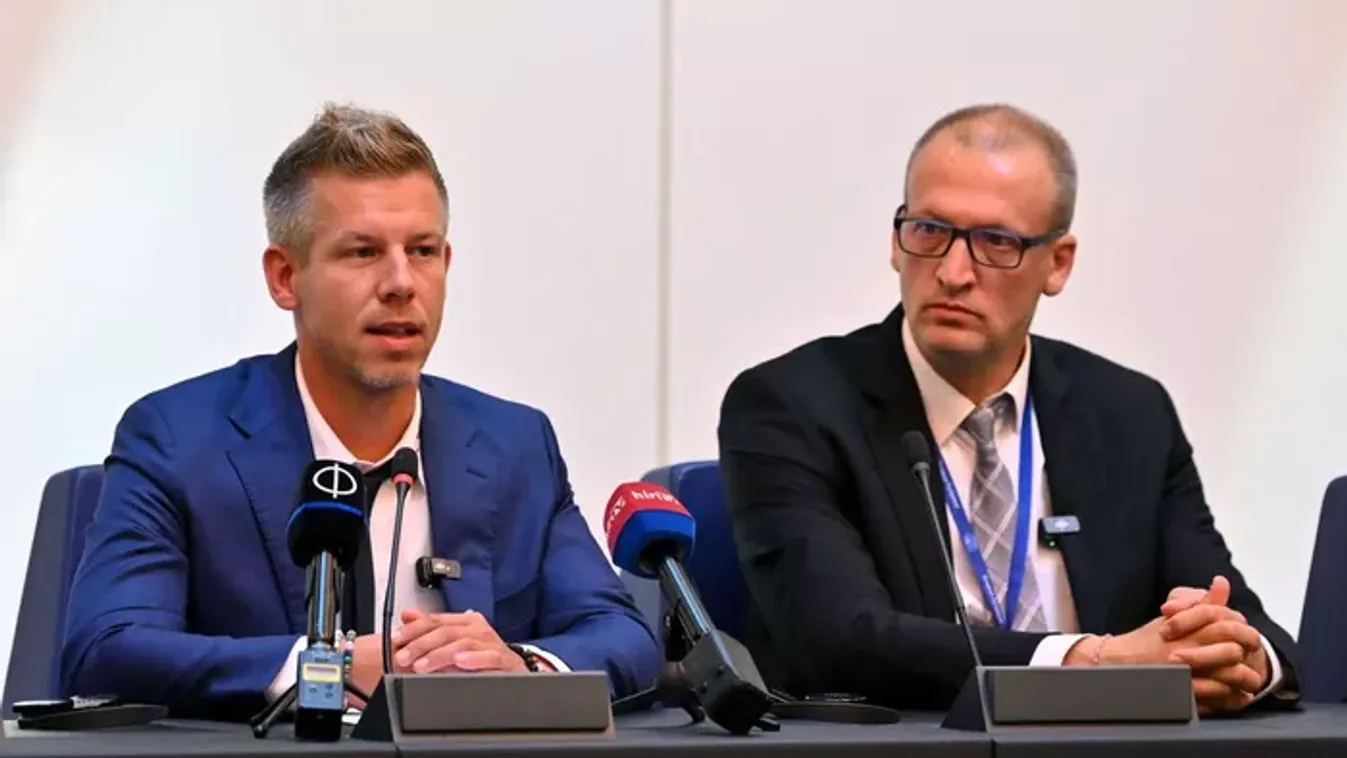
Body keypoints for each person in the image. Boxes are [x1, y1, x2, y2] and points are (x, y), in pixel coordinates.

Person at [60, 104, 660, 720]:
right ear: (285, 277)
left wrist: (521, 667)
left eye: (422, 250)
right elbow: (107, 647)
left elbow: (621, 634)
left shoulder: (515, 443)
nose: (402, 283)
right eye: (363, 252)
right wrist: (322, 668)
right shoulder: (178, 439)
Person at [716, 103, 1299, 714]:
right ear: (895, 241)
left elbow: (1236, 614)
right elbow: (841, 639)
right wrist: (1091, 662)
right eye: (929, 230)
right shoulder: (791, 406)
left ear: (1058, 263)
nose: (953, 273)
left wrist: (1241, 657)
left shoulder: (1129, 414)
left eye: (996, 242)